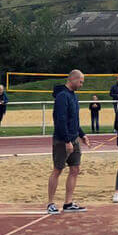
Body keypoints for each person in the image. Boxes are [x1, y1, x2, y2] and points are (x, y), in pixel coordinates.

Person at [47, 70, 91, 214]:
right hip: (62, 140)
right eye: (80, 81)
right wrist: (67, 140)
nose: (81, 84)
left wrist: (82, 135)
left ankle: (68, 203)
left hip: (74, 138)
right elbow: (60, 120)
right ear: (72, 79)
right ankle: (50, 203)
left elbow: (73, 120)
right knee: (58, 169)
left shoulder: (73, 96)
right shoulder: (62, 96)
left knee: (75, 169)